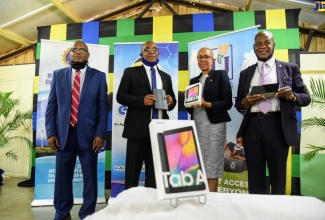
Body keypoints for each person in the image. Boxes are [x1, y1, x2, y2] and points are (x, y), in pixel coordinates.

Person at [235, 31, 310, 195]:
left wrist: (292, 96)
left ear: (273, 45)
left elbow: (306, 97)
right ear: (254, 47)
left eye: (266, 43)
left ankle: (277, 212)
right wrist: (245, 103)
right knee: (255, 176)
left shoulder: (290, 69)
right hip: (252, 127)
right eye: (258, 44)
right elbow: (238, 104)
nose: (262, 47)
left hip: (278, 126)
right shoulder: (246, 73)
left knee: (278, 177)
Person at [45, 40, 109, 220]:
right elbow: (51, 107)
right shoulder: (58, 76)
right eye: (75, 49)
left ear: (88, 55)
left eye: (83, 50)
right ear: (70, 54)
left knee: (90, 178)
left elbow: (103, 108)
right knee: (62, 178)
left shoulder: (99, 76)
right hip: (63, 136)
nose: (78, 52)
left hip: (89, 137)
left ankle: (87, 213)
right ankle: (62, 213)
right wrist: (51, 132)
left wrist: (100, 133)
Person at [116, 41, 177, 190]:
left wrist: (171, 101)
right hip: (138, 131)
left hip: (160, 131)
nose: (151, 52)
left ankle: (151, 207)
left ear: (158, 53)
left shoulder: (166, 77)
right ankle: (130, 206)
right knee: (132, 173)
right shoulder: (130, 72)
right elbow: (120, 96)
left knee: (155, 174)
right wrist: (140, 100)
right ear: (141, 54)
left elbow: (173, 100)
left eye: (154, 49)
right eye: (147, 49)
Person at [186, 47, 232, 192]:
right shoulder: (194, 80)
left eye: (206, 57)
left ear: (212, 59)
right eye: (200, 57)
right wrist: (188, 103)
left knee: (211, 164)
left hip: (214, 126)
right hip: (197, 126)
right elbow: (190, 108)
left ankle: (211, 202)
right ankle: (199, 197)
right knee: (198, 163)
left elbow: (227, 102)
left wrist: (207, 104)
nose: (203, 60)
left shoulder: (220, 75)